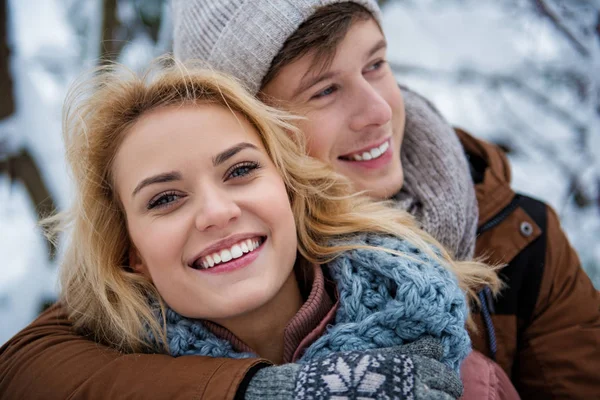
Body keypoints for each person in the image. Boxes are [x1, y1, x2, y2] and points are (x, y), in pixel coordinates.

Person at [1, 0, 597, 398]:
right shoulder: (149, 299)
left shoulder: (519, 236)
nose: (378, 111)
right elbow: (27, 367)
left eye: (377, 65)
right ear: (253, 119)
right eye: (324, 89)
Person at [16, 59, 499, 399]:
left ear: (289, 191)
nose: (216, 212)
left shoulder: (466, 378)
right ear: (132, 252)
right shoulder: (91, 373)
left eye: (240, 170)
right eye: (165, 198)